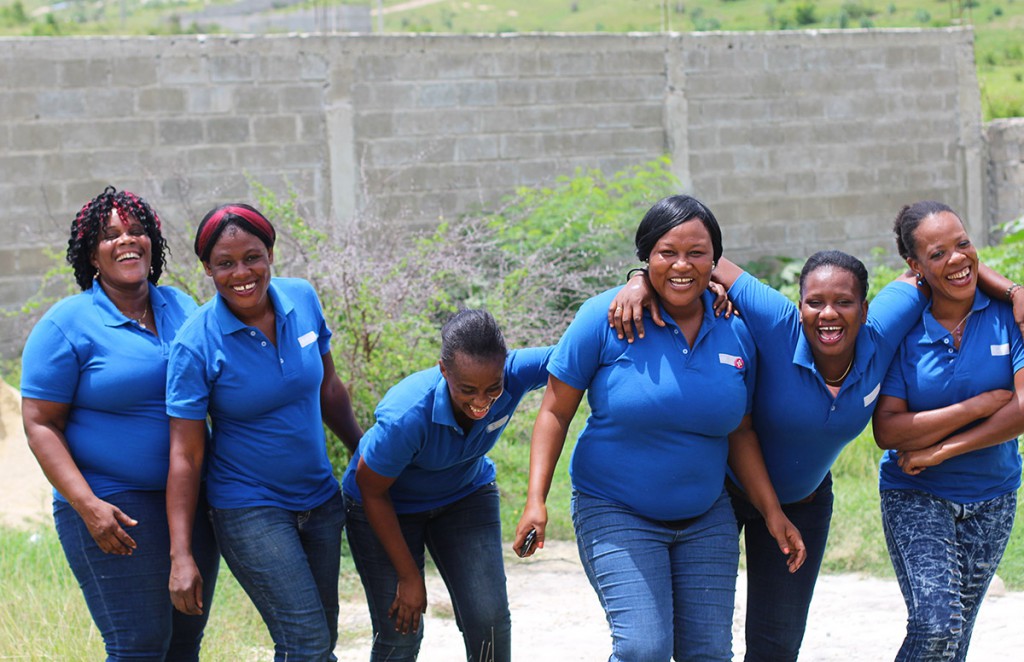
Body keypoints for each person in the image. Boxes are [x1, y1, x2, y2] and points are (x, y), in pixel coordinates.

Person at [610, 243, 1023, 662]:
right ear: (799, 306)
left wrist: (1013, 292)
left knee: (777, 646)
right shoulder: (778, 322)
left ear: (864, 310)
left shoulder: (881, 333)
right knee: (703, 645)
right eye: (815, 303)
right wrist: (640, 278)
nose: (829, 314)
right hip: (723, 497)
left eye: (844, 302)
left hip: (803, 504)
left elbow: (941, 266)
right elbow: (699, 261)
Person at [514, 194, 805, 661]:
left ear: (716, 260)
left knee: (708, 654)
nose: (682, 265)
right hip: (615, 509)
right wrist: (535, 501)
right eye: (667, 252)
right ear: (646, 257)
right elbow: (554, 412)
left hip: (706, 518)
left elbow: (740, 432)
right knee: (643, 648)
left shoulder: (736, 330)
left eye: (697, 253)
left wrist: (772, 512)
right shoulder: (605, 318)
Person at [20, 186, 220, 660]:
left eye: (136, 230)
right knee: (139, 644)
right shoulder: (66, 324)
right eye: (110, 235)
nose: (126, 240)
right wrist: (88, 505)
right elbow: (39, 424)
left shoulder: (183, 308)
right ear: (91, 253)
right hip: (114, 506)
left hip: (189, 500)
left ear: (152, 243)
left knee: (185, 641)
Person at [165, 203, 362, 661]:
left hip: (319, 499)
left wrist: (361, 449)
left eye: (252, 256)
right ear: (207, 270)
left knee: (318, 638)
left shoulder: (303, 299)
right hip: (249, 507)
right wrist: (181, 554)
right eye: (225, 264)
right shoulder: (195, 343)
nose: (242, 273)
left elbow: (328, 387)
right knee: (307, 642)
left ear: (270, 252)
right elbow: (186, 456)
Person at [342, 309, 551, 662]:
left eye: (493, 388)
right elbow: (370, 488)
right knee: (401, 631)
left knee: (489, 622)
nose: (482, 401)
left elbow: (582, 349)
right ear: (443, 371)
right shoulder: (407, 414)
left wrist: (636, 286)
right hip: (385, 505)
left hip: (465, 495)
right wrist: (409, 576)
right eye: (467, 390)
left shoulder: (515, 373)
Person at [872, 200, 1024, 662]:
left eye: (963, 244)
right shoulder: (906, 328)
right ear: (914, 266)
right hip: (915, 491)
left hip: (992, 494)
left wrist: (941, 449)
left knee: (955, 638)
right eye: (937, 254)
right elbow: (889, 430)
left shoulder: (1008, 313)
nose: (957, 259)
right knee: (937, 625)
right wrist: (977, 405)